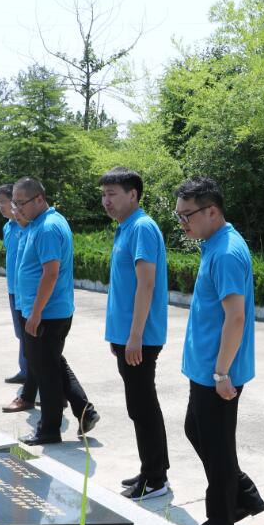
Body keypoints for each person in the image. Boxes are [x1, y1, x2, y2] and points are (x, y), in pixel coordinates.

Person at [175, 176, 264, 525]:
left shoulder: (226, 252)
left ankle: (220, 523)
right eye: (179, 216)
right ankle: (241, 495)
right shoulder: (214, 244)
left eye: (187, 215)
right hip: (206, 367)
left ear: (211, 211)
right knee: (198, 431)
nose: (182, 223)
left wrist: (222, 372)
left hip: (218, 371)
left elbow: (236, 317)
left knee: (217, 446)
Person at [99, 167, 171, 500]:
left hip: (139, 338)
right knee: (138, 405)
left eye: (112, 194)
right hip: (127, 336)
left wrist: (135, 336)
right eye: (104, 195)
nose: (106, 201)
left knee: (142, 406)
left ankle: (155, 479)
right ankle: (151, 469)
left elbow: (146, 284)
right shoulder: (126, 227)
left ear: (133, 195)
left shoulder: (142, 227)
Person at [12, 177, 99, 445]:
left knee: (46, 372)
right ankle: (85, 411)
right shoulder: (39, 223)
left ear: (39, 198)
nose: (18, 208)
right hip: (45, 310)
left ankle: (49, 429)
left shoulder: (48, 227)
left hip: (47, 313)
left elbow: (50, 273)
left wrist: (36, 312)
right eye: (15, 203)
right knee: (51, 362)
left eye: (21, 203)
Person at [0, 184, 37, 413]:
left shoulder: (28, 226)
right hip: (13, 288)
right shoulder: (8, 227)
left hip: (26, 292)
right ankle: (25, 371)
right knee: (21, 334)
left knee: (33, 339)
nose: (1, 206)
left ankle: (33, 379)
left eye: (4, 202)